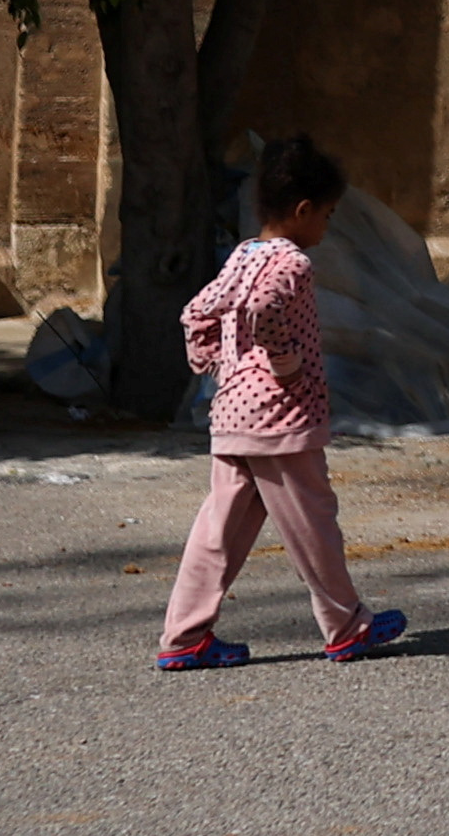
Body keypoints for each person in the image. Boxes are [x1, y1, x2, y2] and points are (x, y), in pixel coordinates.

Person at [157, 135, 400, 669]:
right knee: (313, 523)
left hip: (233, 416)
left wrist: (217, 363)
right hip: (281, 418)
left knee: (218, 531)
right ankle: (346, 626)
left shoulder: (244, 255)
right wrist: (283, 362)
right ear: (303, 210)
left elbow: (197, 311)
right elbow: (267, 309)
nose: (327, 228)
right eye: (328, 215)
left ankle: (183, 637)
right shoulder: (291, 264)